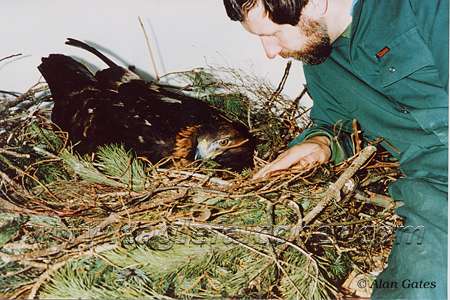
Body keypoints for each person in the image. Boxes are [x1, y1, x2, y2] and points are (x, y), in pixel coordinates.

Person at [223, 0, 448, 299]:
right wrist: (320, 144)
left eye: (274, 34)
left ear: (315, 3)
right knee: (414, 288)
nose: (270, 51)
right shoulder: (322, 61)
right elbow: (334, 122)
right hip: (434, 190)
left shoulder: (422, 7)